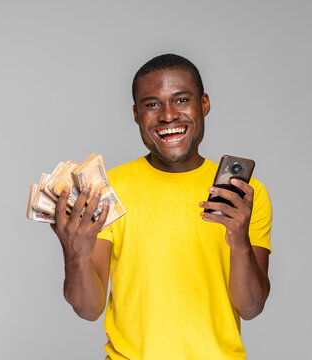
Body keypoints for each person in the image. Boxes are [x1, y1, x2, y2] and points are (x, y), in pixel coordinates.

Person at [51, 54, 272, 359]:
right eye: (152, 104)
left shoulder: (246, 195)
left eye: (181, 100)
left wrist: (240, 243)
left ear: (204, 104)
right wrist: (74, 254)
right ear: (136, 114)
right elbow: (89, 310)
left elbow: (251, 307)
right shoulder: (107, 190)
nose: (168, 115)